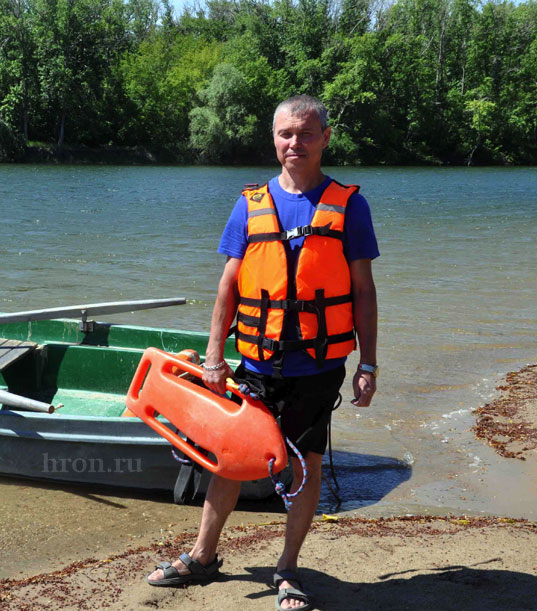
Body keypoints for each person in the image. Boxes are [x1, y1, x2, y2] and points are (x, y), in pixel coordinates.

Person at [146, 95, 379, 611]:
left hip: (317, 367)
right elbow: (228, 286)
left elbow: (363, 290)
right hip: (254, 361)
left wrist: (367, 363)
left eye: (305, 133)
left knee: (306, 468)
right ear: (273, 139)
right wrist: (213, 355)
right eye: (285, 134)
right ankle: (204, 557)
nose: (294, 143)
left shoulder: (350, 204)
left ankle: (288, 569)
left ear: (325, 136)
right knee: (229, 463)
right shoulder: (249, 203)